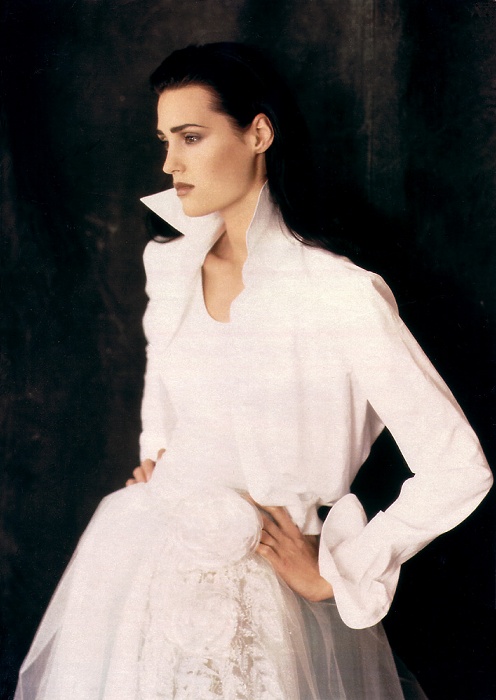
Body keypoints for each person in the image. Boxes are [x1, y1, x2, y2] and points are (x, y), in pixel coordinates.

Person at [15, 42, 492, 700]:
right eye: (165, 140)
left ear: (258, 134)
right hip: (144, 569)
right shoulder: (173, 265)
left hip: (266, 600)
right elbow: (167, 399)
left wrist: (342, 569)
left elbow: (458, 467)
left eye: (191, 137)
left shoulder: (340, 294)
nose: (169, 163)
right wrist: (162, 456)